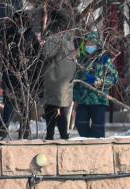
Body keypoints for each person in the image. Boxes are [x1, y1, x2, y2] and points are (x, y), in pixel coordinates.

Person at [0, 11, 42, 139]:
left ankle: (25, 128)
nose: (21, 24)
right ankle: (3, 126)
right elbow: (2, 52)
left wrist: (28, 60)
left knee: (24, 103)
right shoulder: (8, 34)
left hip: (26, 74)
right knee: (9, 101)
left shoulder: (31, 35)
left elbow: (37, 55)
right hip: (10, 72)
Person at [73, 32, 118, 138]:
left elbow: (114, 77)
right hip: (83, 99)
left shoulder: (104, 59)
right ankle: (89, 143)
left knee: (98, 128)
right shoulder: (81, 59)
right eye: (87, 43)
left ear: (97, 45)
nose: (89, 46)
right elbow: (76, 79)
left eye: (91, 43)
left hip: (98, 99)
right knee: (80, 124)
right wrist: (75, 97)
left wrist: (101, 82)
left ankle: (97, 146)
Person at [42, 12, 77, 141]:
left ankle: (50, 136)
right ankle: (64, 136)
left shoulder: (54, 37)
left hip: (55, 77)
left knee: (51, 109)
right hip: (67, 80)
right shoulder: (70, 38)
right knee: (63, 110)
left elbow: (48, 54)